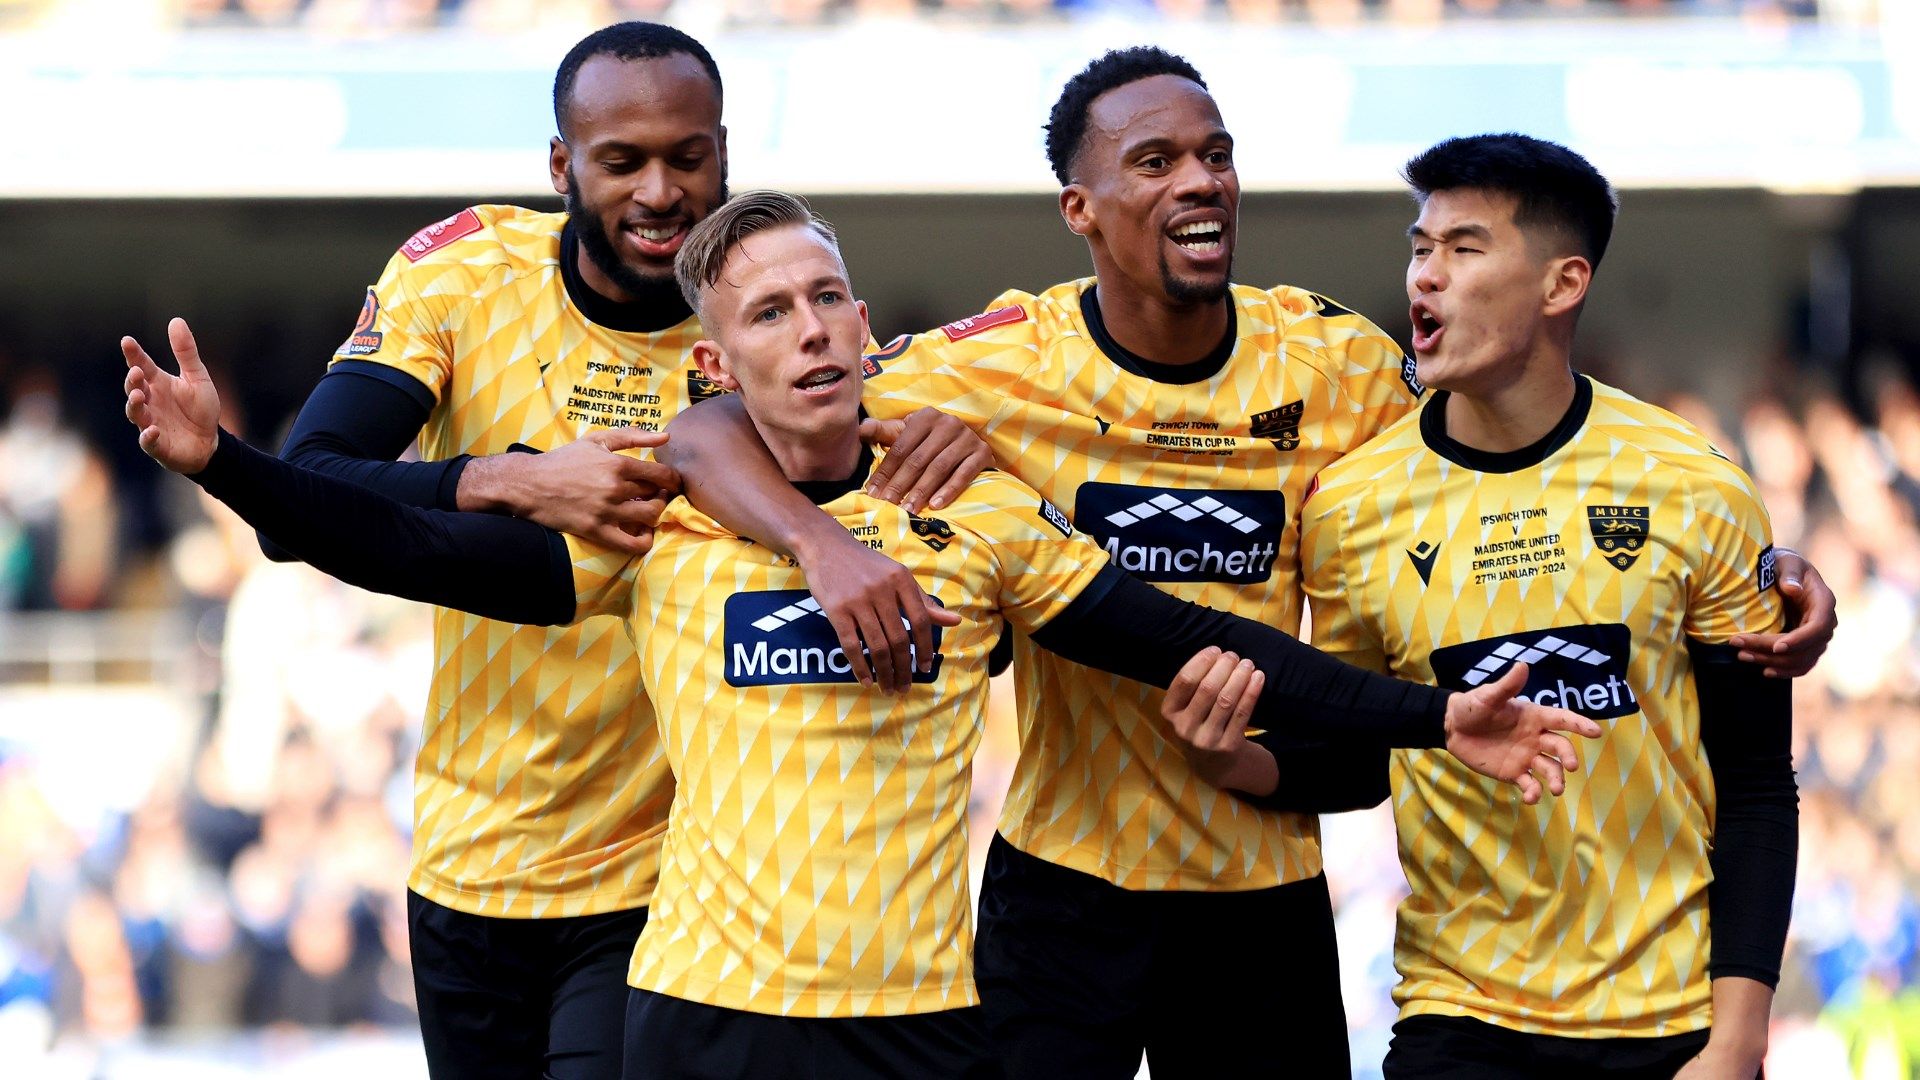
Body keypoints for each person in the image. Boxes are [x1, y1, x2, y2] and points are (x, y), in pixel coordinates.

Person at [124, 191, 1602, 1080]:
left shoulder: (975, 519)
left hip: (923, 1025)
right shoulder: (656, 524)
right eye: (773, 312)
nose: (815, 328)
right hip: (700, 1017)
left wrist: (1429, 718)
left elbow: (1183, 638)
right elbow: (409, 544)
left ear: (871, 328)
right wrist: (228, 468)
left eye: (833, 297)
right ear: (718, 364)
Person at [659, 48, 1834, 1077]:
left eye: (1216, 155)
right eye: (1157, 161)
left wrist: (1760, 562)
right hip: (1067, 884)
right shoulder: (990, 366)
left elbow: (1510, 463)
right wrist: (819, 535)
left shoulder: (1343, 367)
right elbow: (715, 422)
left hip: (1260, 884)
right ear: (1082, 208)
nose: (1201, 181)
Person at [252, 22, 980, 1078]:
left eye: (687, 158)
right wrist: (509, 476)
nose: (658, 192)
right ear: (562, 166)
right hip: (474, 858)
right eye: (620, 161)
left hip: (664, 883)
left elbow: (905, 424)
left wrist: (963, 430)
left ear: (724, 154)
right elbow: (297, 505)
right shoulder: (463, 276)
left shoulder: (771, 321)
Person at [1207, 133, 1792, 1079]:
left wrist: (1738, 1040)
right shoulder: (1352, 507)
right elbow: (1363, 754)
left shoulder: (1695, 484)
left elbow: (1759, 781)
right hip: (1460, 1018)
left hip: (1675, 1022)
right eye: (1419, 247)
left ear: (1563, 284)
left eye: (1464, 249)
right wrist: (1231, 757)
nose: (1425, 278)